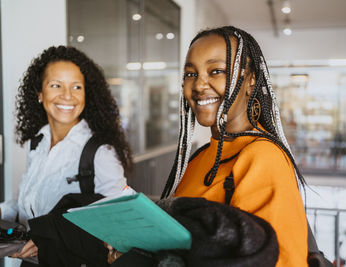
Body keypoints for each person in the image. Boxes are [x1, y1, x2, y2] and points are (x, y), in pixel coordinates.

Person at [160, 26, 308, 266]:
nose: (198, 85)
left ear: (250, 80)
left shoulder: (262, 156)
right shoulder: (199, 158)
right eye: (190, 74)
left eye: (216, 71)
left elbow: (282, 260)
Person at [0, 46, 134, 265]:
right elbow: (28, 200)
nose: (67, 95)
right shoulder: (37, 143)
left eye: (76, 87)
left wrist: (54, 237)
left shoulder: (99, 151)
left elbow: (117, 220)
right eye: (56, 85)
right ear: (40, 94)